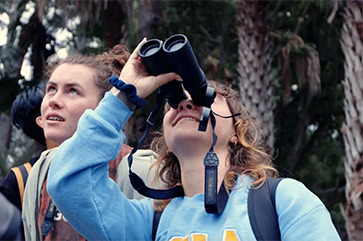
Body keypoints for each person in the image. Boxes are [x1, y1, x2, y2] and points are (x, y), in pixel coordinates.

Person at [47, 39, 340, 240]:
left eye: (202, 98)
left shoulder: (281, 201)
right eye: (174, 101)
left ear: (237, 133)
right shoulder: (147, 223)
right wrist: (123, 96)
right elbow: (68, 183)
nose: (185, 104)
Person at [22, 44, 158, 241]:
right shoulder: (42, 168)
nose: (54, 101)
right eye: (51, 89)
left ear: (104, 104)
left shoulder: (143, 169)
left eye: (73, 91)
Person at [0, 82, 58, 211]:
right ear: (43, 120)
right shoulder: (19, 182)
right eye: (53, 93)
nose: (60, 102)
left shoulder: (106, 164)